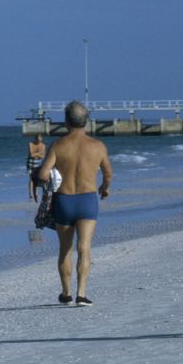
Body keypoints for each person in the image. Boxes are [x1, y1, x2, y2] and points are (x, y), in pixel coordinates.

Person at [38, 100, 113, 306]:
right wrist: (104, 189)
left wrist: (41, 177)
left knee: (65, 249)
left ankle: (66, 293)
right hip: (88, 200)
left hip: (64, 201)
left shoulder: (57, 145)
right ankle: (81, 294)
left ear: (66, 122)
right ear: (86, 121)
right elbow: (108, 173)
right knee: (84, 248)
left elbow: (44, 174)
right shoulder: (98, 146)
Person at [27, 134, 47, 202]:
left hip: (38, 163)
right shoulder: (30, 144)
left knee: (38, 178)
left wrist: (36, 153)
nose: (38, 141)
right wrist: (39, 153)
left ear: (42, 139)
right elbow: (31, 154)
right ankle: (30, 193)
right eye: (37, 139)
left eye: (40, 140)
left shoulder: (43, 145)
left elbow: (43, 156)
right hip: (30, 162)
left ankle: (36, 193)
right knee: (31, 178)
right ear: (35, 138)